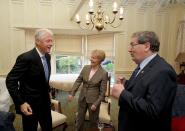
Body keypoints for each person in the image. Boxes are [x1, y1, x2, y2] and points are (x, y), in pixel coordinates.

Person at [112, 31, 177, 131]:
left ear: (146, 46)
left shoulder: (163, 71)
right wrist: (126, 83)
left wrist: (122, 94)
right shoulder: (143, 66)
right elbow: (142, 89)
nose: (129, 50)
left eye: (132, 45)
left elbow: (153, 111)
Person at [6, 28, 53, 131]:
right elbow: (10, 81)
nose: (51, 43)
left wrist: (48, 91)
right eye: (48, 41)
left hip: (45, 104)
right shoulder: (26, 58)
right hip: (30, 106)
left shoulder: (48, 57)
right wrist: (21, 103)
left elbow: (43, 79)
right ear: (37, 42)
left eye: (52, 40)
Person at [68, 49, 108, 131]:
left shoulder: (103, 73)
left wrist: (96, 104)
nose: (91, 59)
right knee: (79, 118)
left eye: (94, 58)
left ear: (100, 60)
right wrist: (72, 93)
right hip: (82, 98)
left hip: (93, 101)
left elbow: (103, 92)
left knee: (93, 121)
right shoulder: (85, 68)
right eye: (91, 57)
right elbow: (78, 80)